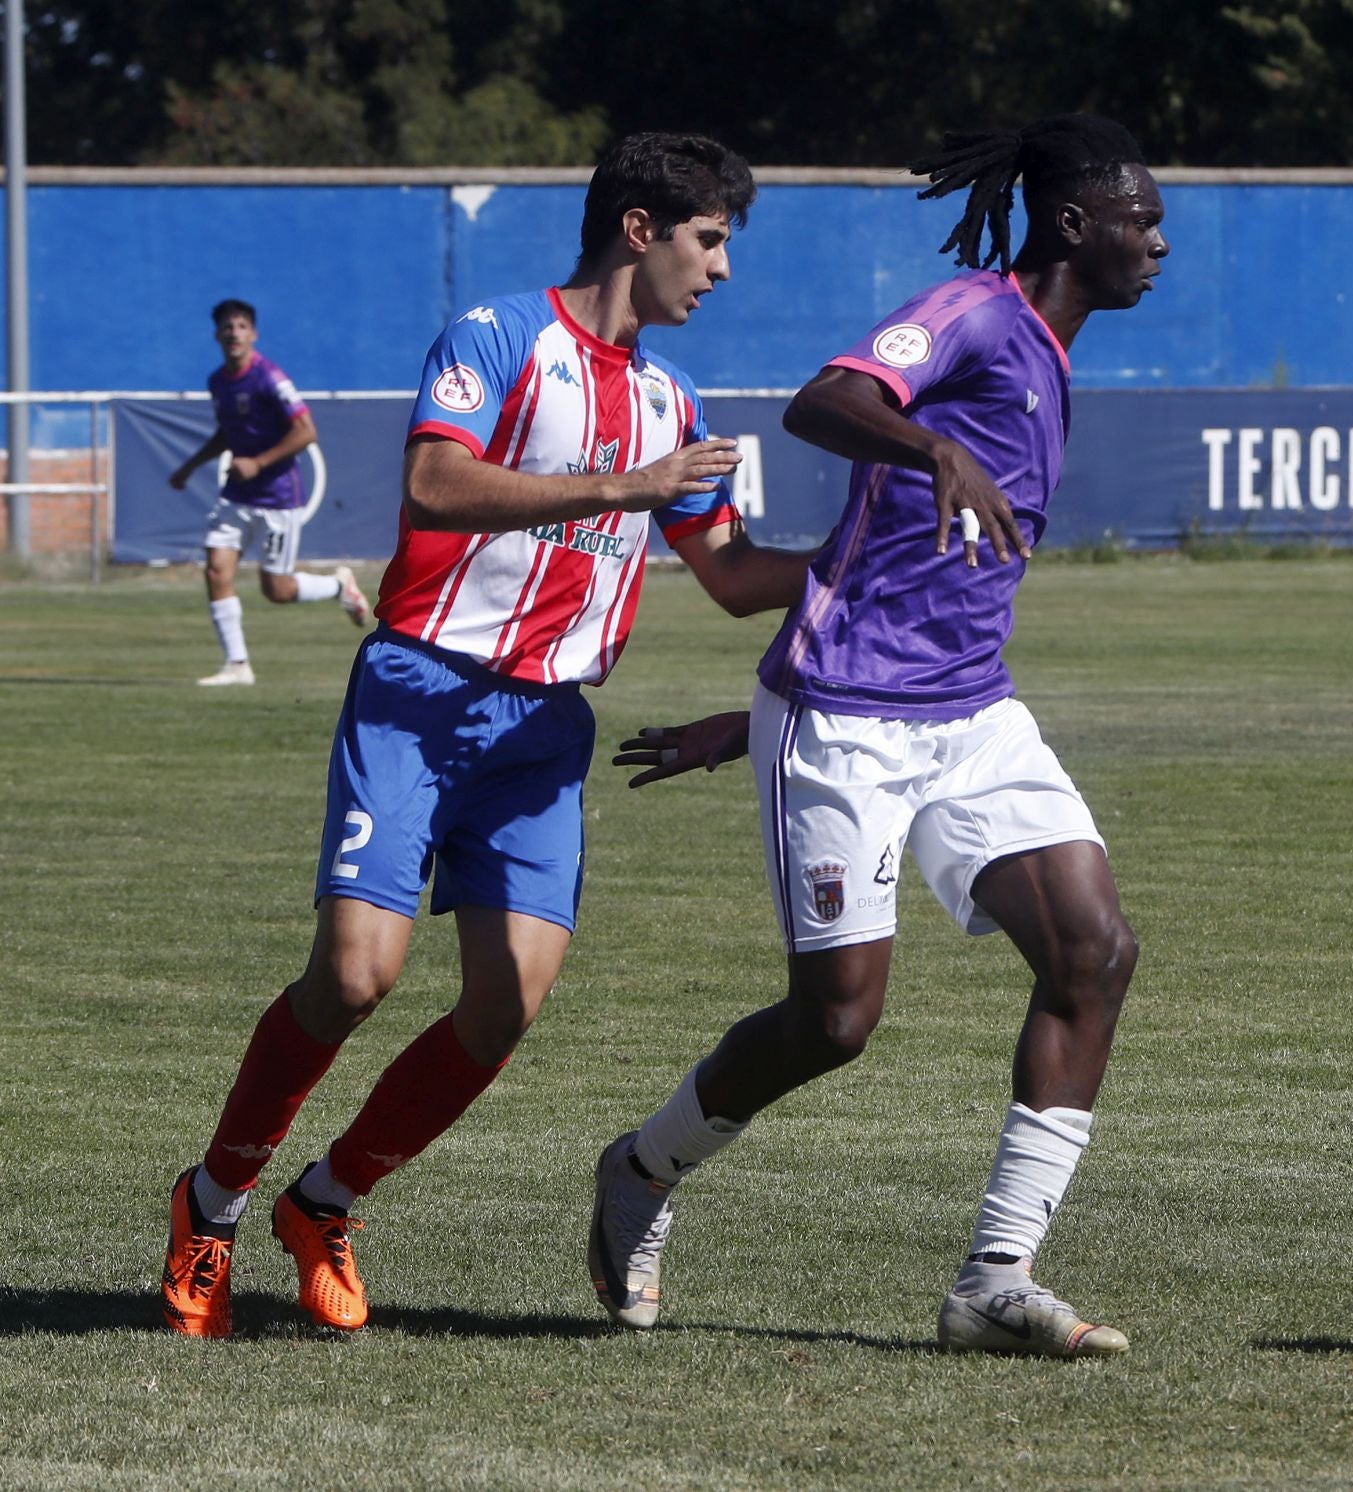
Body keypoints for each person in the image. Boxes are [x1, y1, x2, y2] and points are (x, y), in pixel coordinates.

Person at [161, 132, 814, 1339]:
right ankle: (212, 1201)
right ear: (639, 228)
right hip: (419, 692)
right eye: (709, 239)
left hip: (542, 731)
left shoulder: (672, 399)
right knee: (355, 974)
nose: (720, 270)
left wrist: (857, 566)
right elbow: (435, 486)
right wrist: (624, 488)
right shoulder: (499, 338)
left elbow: (726, 573)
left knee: (506, 1004)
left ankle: (329, 1200)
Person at [588, 113, 1168, 1358]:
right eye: (1142, 218)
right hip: (846, 721)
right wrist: (934, 443)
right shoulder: (971, 312)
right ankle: (642, 1168)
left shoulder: (1056, 353)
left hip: (971, 711)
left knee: (1096, 953)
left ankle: (993, 1279)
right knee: (836, 1024)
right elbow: (828, 400)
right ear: (1075, 223)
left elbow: (899, 581)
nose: (1158, 244)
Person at [169, 299, 370, 686]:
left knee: (276, 589)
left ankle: (338, 586)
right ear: (217, 335)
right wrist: (190, 466)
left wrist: (258, 463)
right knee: (216, 570)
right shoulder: (218, 381)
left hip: (277, 496)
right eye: (227, 327)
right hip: (236, 494)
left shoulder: (269, 377)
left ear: (253, 334)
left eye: (242, 326)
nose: (234, 333)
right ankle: (237, 665)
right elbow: (228, 432)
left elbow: (306, 431)